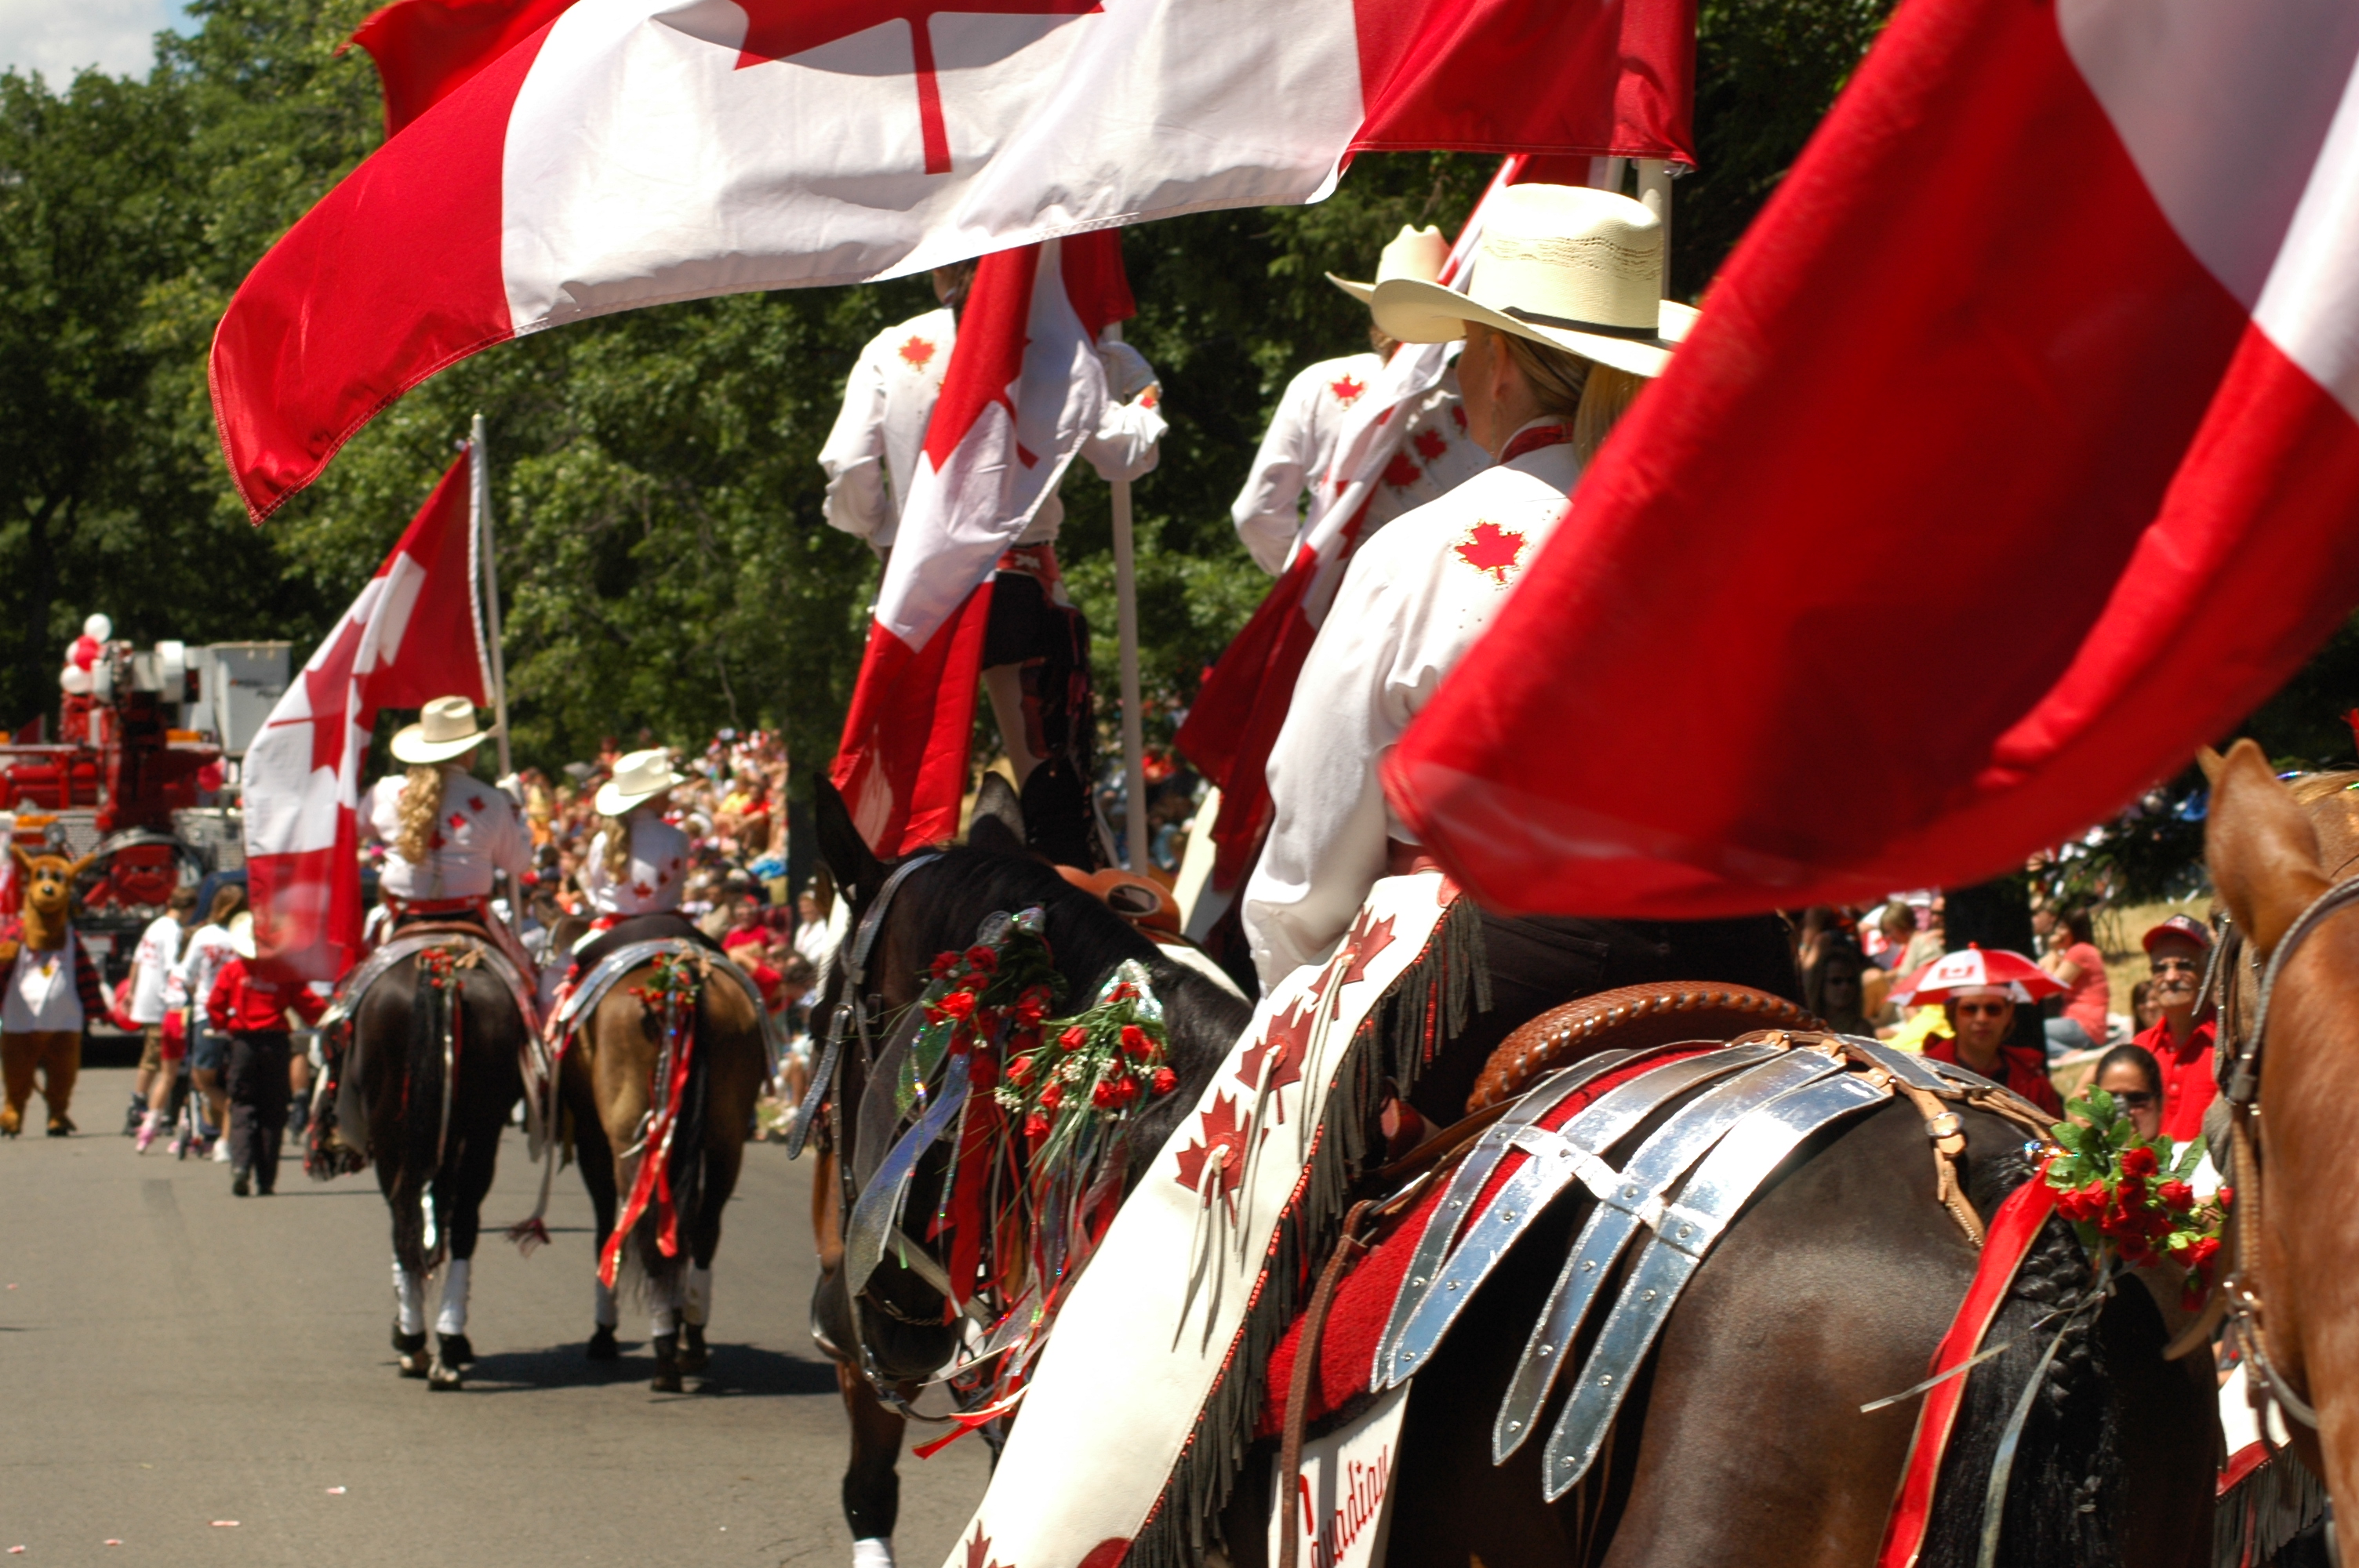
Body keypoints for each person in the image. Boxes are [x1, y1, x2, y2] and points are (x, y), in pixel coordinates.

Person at [1240, 183, 1790, 1118]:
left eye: (1461, 353)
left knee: (1269, 1230)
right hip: (1741, 957)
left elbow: (1313, 847)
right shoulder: (1743, 545)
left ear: (1496, 362)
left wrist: (1293, 994)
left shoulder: (1426, 548)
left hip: (1497, 982)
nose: (1454, 377)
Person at [819, 260, 1166, 862]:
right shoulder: (1058, 348)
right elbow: (1127, 455)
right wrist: (1136, 382)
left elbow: (850, 466)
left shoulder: (895, 347)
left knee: (897, 804)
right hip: (1020, 585)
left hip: (922, 594)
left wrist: (882, 528)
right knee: (1055, 800)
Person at [1230, 226, 1488, 575]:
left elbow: (1257, 512)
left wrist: (1306, 578)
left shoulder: (1318, 384)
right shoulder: (1483, 395)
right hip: (1448, 594)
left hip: (1336, 596)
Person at [359, 697, 533, 972]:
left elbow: (356, 830)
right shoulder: (492, 799)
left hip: (403, 915)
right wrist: (515, 809)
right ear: (468, 752)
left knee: (353, 986)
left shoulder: (386, 791)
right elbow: (519, 864)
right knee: (528, 979)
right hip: (473, 915)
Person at [206, 913, 326, 1197]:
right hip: (276, 1044)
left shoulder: (234, 970)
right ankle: (266, 1179)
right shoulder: (284, 972)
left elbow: (215, 1006)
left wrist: (222, 1026)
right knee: (273, 1112)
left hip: (244, 1045)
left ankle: (240, 1167)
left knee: (242, 1106)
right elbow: (310, 1006)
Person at [1911, 960, 2066, 1117]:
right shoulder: (1928, 1077)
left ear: (2008, 1013)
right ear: (1953, 1014)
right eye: (1970, 1009)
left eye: (1993, 1009)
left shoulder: (2032, 1076)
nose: (1982, 1019)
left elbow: (2052, 1135)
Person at [172, 884, 244, 1159]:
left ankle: (225, 1126)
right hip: (238, 1015)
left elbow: (186, 974)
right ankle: (222, 1130)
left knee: (203, 1078)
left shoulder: (205, 936)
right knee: (233, 1079)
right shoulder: (245, 937)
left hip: (208, 1014)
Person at [2130, 913, 2216, 1142]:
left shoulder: (2231, 1047)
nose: (2170, 977)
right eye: (2160, 968)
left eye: (2184, 965)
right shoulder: (2141, 1048)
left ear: (2210, 972)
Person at [129, 885, 197, 1149]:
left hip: (147, 996)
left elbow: (136, 959)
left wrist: (131, 990)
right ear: (189, 909)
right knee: (161, 1060)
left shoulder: (155, 925)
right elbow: (173, 966)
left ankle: (141, 1102)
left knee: (153, 1055)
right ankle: (145, 1107)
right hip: (161, 1001)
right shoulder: (172, 931)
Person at [2037, 905, 2111, 1058]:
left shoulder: (2079, 952)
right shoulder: (2082, 950)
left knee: (2032, 1031)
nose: (2058, 933)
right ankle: (2063, 1050)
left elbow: (2051, 989)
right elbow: (2040, 967)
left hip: (2085, 1026)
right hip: (2089, 1027)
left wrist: (2052, 950)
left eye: (2063, 928)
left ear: (2074, 931)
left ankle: (2066, 1053)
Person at [2088, 1043, 2165, 1144]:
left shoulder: (2182, 1156)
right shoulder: (2075, 1156)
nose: (2124, 1112)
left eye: (2137, 1099)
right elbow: (2065, 1155)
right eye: (2110, 1099)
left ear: (2160, 1103)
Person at [1804, 935, 1874, 1036]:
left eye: (1851, 981)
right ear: (1820, 984)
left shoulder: (1861, 1030)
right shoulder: (1805, 1024)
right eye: (1836, 981)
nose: (1845, 987)